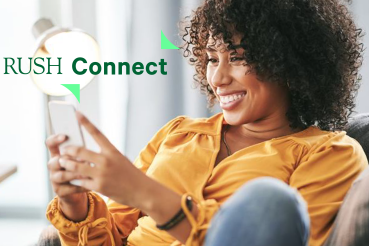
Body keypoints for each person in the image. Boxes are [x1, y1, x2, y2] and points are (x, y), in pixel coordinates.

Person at [44, 0, 368, 245]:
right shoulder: (178, 134)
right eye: (212, 59)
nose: (218, 78)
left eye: (238, 57)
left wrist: (147, 194)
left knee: (270, 202)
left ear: (289, 61)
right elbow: (112, 236)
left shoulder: (331, 153)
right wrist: (76, 204)